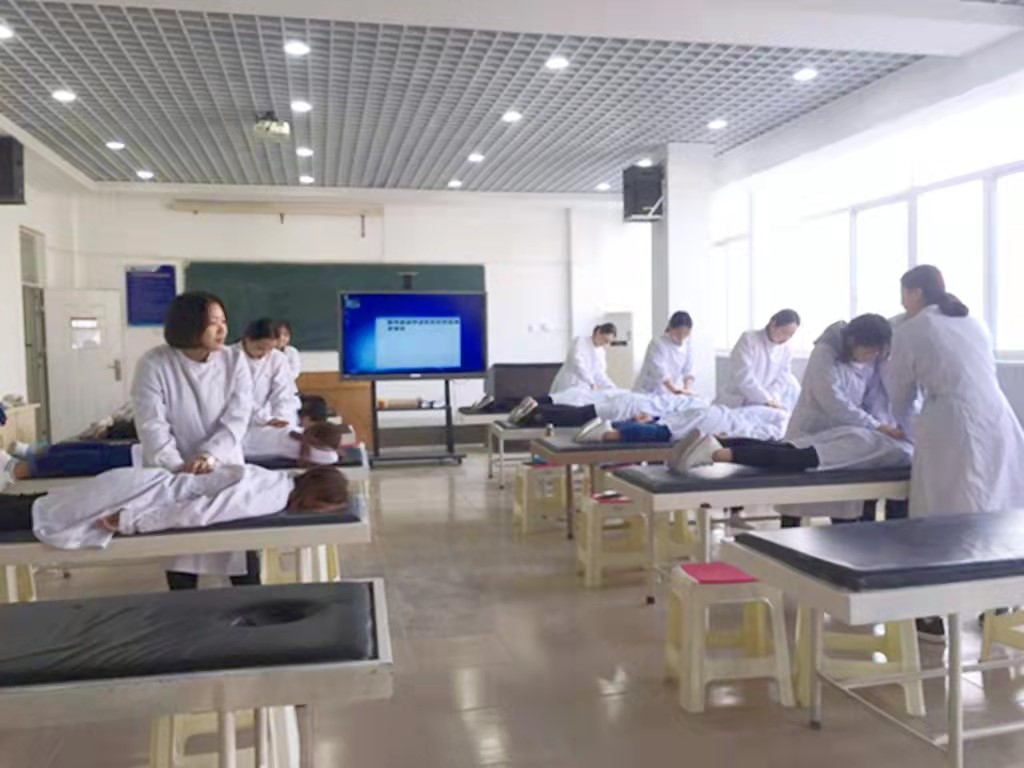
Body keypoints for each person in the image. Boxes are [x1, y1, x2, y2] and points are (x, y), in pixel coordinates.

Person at [131, 291, 255, 589]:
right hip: (173, 474)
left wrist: (209, 456)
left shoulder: (234, 360)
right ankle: (184, 614)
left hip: (223, 466)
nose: (222, 329)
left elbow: (237, 417)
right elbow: (151, 424)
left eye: (223, 321)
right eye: (213, 323)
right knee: (182, 562)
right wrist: (177, 467)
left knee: (241, 559)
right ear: (189, 324)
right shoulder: (154, 363)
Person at [886, 266, 1024, 514]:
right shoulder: (974, 323)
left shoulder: (911, 330)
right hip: (997, 415)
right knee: (997, 502)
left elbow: (900, 394)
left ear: (916, 293)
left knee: (953, 505)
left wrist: (906, 428)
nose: (902, 302)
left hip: (952, 422)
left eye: (903, 293)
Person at [0, 464, 348, 551]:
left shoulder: (276, 479)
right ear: (317, 500)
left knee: (43, 506)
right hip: (141, 497)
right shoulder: (269, 497)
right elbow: (197, 512)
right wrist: (132, 522)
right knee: (39, 514)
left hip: (141, 483)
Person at [0, 423, 346, 487]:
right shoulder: (288, 430)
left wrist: (309, 446)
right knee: (93, 450)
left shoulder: (298, 448)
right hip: (175, 443)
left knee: (91, 461)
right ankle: (29, 458)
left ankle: (20, 470)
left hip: (183, 458)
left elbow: (331, 458)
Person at [718, 310, 802, 411]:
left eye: (790, 335)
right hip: (738, 399)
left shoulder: (787, 349)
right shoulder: (749, 339)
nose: (786, 339)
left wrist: (771, 399)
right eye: (784, 332)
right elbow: (743, 376)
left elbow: (782, 379)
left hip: (768, 403)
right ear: (773, 324)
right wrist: (765, 400)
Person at [238, 318, 301, 428]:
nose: (264, 354)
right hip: (238, 419)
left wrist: (281, 419)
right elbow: (239, 398)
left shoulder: (278, 358)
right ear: (247, 339)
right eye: (260, 348)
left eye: (270, 349)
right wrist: (265, 418)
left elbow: (283, 394)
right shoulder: (230, 358)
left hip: (268, 420)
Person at [633, 311, 695, 395]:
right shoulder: (658, 343)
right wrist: (675, 390)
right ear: (671, 329)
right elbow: (660, 372)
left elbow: (688, 370)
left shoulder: (687, 345)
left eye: (686, 333)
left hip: (667, 393)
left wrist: (687, 389)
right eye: (678, 332)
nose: (681, 337)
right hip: (647, 391)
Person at [549, 323, 617, 394]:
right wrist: (591, 382)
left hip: (585, 388)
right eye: (605, 340)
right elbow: (578, 364)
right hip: (571, 383)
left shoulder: (601, 351)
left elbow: (599, 373)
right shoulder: (580, 341)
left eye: (608, 342)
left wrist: (610, 386)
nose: (605, 344)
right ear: (598, 332)